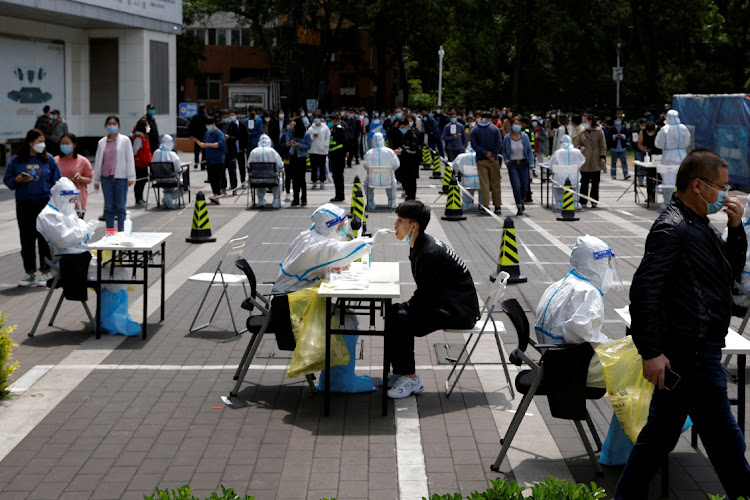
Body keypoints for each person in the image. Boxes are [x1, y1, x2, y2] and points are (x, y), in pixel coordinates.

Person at [615, 149, 750, 499]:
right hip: (690, 352)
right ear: (697, 185)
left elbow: (728, 275)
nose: (726, 193)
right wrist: (651, 352)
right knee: (725, 440)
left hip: (694, 347)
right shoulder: (673, 228)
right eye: (721, 186)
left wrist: (735, 230)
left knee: (660, 434)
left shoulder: (697, 224)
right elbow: (644, 291)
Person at [384, 201, 480, 398]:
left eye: (400, 221)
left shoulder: (428, 252)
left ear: (414, 226)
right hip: (446, 302)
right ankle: (400, 372)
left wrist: (408, 308)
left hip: (460, 312)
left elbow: (427, 294)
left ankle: (412, 379)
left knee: (401, 317)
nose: (395, 225)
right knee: (395, 312)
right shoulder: (419, 243)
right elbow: (427, 293)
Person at [535, 234, 621, 388]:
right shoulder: (587, 292)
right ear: (594, 264)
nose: (609, 268)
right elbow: (581, 333)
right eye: (606, 263)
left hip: (553, 360)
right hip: (573, 368)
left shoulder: (561, 284)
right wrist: (612, 348)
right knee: (638, 365)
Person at [273, 203, 393, 293]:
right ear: (327, 227)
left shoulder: (310, 235)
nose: (341, 231)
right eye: (339, 227)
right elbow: (339, 252)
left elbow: (315, 263)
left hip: (295, 293)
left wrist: (332, 265)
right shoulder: (317, 245)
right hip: (288, 300)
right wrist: (372, 241)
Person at [3, 128, 62, 287]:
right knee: (27, 239)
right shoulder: (16, 160)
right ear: (30, 142)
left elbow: (58, 181)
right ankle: (29, 272)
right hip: (24, 203)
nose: (42, 144)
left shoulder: (48, 159)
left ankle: (45, 271)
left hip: (44, 203)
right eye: (39, 142)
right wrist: (17, 180)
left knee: (43, 239)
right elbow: (8, 181)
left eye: (43, 141)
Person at [36, 177, 97, 257]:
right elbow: (64, 240)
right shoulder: (48, 215)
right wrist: (85, 229)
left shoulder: (67, 211)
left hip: (76, 253)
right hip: (64, 258)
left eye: (75, 199)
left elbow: (79, 229)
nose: (74, 203)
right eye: (72, 200)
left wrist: (85, 231)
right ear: (61, 198)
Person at [94, 116, 136, 231]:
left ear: (118, 126)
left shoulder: (125, 140)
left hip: (120, 178)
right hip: (106, 178)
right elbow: (98, 162)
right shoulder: (102, 142)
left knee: (121, 207)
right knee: (109, 207)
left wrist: (131, 176)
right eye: (109, 123)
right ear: (105, 126)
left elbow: (129, 158)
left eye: (114, 123)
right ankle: (110, 232)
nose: (112, 126)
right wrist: (96, 180)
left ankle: (122, 232)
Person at [471, 112, 503, 215]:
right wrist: (493, 154)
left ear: (481, 118)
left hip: (481, 159)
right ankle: (497, 206)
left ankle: (485, 206)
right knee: (495, 184)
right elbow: (499, 143)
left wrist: (485, 153)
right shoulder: (494, 129)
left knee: (484, 184)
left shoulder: (475, 129)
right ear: (490, 119)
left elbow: (474, 145)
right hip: (494, 160)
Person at [502, 117, 535, 216]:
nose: (517, 126)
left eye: (518, 124)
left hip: (524, 164)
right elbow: (504, 151)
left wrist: (532, 164)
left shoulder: (524, 137)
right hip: (513, 165)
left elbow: (529, 151)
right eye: (515, 124)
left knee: (525, 186)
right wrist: (507, 160)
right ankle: (519, 205)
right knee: (516, 186)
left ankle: (522, 199)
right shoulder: (507, 138)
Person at [55, 133, 93, 218]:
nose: (64, 146)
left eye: (67, 143)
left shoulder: (83, 161)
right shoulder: (55, 161)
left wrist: (80, 178)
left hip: (76, 202)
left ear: (74, 145)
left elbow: (89, 179)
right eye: (62, 143)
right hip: (59, 201)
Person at [573, 114, 607, 209]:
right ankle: (583, 201)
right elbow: (577, 143)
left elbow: (602, 145)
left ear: (590, 121)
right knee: (584, 183)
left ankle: (594, 201)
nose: (584, 123)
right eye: (582, 121)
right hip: (585, 160)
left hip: (596, 159)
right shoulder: (581, 132)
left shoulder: (599, 131)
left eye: (585, 121)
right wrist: (580, 147)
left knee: (595, 183)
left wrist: (602, 156)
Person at [363, 132, 400, 210]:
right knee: (393, 183)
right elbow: (396, 164)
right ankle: (392, 201)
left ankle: (370, 201)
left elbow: (366, 166)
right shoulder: (390, 152)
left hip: (373, 181)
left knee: (366, 184)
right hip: (388, 180)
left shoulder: (369, 153)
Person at [193, 116, 225, 205]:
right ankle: (215, 194)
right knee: (211, 178)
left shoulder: (219, 133)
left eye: (209, 125)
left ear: (214, 124)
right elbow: (204, 143)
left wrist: (208, 145)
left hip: (218, 160)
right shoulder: (207, 133)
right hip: (209, 160)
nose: (208, 126)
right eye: (207, 125)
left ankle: (217, 196)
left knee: (217, 178)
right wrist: (200, 144)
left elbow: (220, 144)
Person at [548, 134, 584, 210]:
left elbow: (551, 165)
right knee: (577, 183)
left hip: (560, 181)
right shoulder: (577, 152)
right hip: (574, 179)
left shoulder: (558, 152)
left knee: (555, 182)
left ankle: (559, 202)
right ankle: (574, 202)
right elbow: (581, 161)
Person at [248, 134, 284, 208]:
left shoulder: (253, 151)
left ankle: (261, 200)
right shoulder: (272, 151)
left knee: (260, 181)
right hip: (271, 179)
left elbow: (248, 165)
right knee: (279, 181)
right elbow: (280, 165)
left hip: (255, 180)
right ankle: (276, 201)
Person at [389, 119, 420, 201]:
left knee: (411, 182)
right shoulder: (403, 135)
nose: (401, 129)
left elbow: (413, 150)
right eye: (400, 127)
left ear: (407, 126)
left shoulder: (413, 135)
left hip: (412, 162)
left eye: (403, 127)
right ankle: (408, 196)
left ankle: (411, 198)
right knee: (405, 180)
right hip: (404, 162)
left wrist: (402, 151)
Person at [150, 134, 183, 209]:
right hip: (171, 180)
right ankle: (170, 196)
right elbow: (178, 168)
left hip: (158, 180)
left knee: (168, 186)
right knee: (185, 186)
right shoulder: (172, 154)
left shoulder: (156, 152)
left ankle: (166, 198)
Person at [287, 119, 312, 207]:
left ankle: (304, 199)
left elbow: (309, 146)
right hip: (293, 156)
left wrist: (299, 145)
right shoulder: (294, 133)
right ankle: (296, 199)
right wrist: (290, 129)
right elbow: (287, 139)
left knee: (302, 179)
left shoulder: (306, 134)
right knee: (294, 179)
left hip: (301, 157)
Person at [452, 145, 480, 211]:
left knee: (467, 197)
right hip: (480, 180)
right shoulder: (482, 155)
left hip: (467, 180)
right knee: (482, 195)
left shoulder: (462, 156)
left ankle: (467, 207)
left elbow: (455, 166)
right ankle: (482, 207)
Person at [218, 109, 239, 195]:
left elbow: (237, 136)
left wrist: (229, 137)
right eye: (223, 116)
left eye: (226, 116)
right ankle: (223, 188)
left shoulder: (233, 125)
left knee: (232, 171)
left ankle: (234, 188)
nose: (224, 118)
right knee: (222, 172)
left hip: (231, 152)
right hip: (222, 152)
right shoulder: (219, 125)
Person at [131, 118, 152, 205]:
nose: (148, 127)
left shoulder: (144, 137)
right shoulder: (138, 138)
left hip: (144, 163)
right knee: (140, 180)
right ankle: (138, 198)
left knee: (144, 179)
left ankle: (141, 198)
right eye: (147, 125)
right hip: (139, 163)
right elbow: (134, 150)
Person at [308, 113, 330, 190]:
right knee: (314, 167)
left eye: (318, 117)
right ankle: (314, 181)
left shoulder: (325, 128)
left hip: (322, 151)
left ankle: (322, 181)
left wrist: (325, 146)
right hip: (313, 150)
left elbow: (328, 138)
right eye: (315, 118)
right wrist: (313, 137)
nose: (317, 119)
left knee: (322, 167)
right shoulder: (311, 128)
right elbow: (308, 139)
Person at [328, 114, 347, 202]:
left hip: (339, 155)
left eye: (331, 120)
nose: (330, 122)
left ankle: (340, 195)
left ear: (335, 120)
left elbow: (344, 140)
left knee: (338, 176)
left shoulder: (339, 128)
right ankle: (338, 194)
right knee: (336, 176)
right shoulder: (334, 128)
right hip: (334, 154)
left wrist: (346, 151)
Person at [189, 103, 208, 169]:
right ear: (204, 108)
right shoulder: (206, 117)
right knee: (204, 151)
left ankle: (196, 163)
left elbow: (191, 126)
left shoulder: (195, 117)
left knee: (196, 151)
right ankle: (203, 165)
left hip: (196, 136)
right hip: (205, 136)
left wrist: (191, 135)